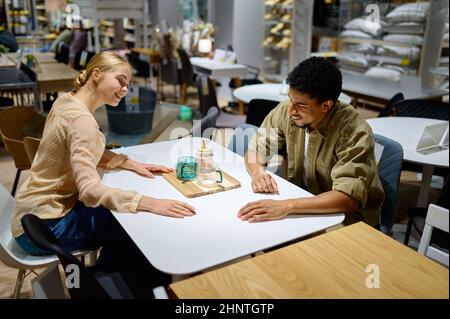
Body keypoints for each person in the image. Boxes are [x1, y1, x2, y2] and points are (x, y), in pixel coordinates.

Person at [11, 51, 196, 297]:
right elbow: (89, 191)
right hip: (48, 227)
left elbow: (83, 151)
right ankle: (106, 287)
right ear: (96, 75)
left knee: (125, 220)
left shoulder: (67, 101)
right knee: (139, 227)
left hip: (30, 216)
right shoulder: (82, 120)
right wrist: (148, 202)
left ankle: (106, 280)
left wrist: (127, 162)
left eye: (127, 84)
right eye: (121, 80)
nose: (125, 89)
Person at [238, 57, 384, 227]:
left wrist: (287, 206)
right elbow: (256, 149)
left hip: (345, 218)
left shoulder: (353, 132)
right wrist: (258, 174)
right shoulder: (288, 109)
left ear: (326, 106)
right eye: (291, 100)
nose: (291, 110)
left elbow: (347, 199)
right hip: (304, 201)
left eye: (300, 105)